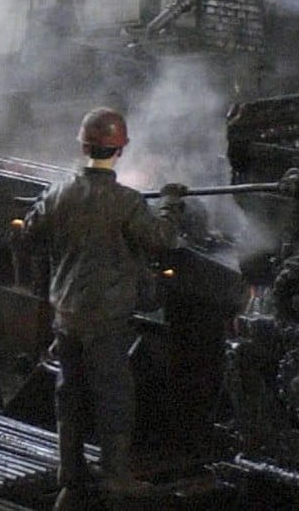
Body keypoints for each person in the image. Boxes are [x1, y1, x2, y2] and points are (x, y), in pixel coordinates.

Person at [21, 107, 185, 509]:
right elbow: (164, 239)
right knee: (114, 396)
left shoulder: (59, 193)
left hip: (67, 314)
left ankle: (70, 476)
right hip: (107, 319)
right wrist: (170, 203)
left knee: (70, 393)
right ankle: (115, 477)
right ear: (120, 151)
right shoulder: (126, 202)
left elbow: (29, 232)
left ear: (83, 147)